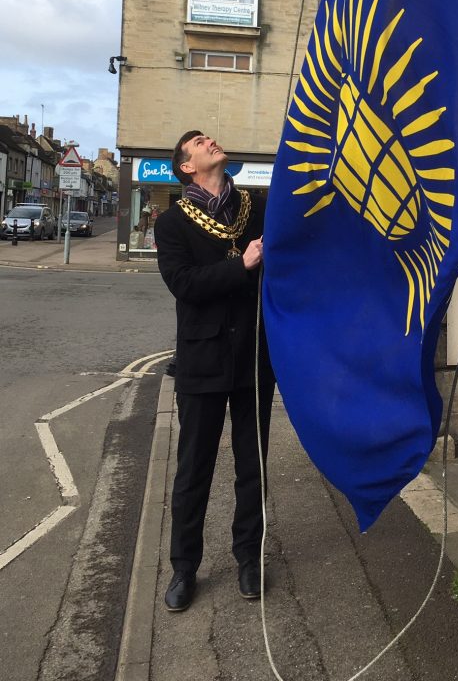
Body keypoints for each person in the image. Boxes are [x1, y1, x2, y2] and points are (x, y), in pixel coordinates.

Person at [154, 130, 275, 611]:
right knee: (193, 470)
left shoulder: (256, 205)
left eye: (210, 138)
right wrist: (241, 265)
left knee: (253, 466)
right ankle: (184, 568)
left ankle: (249, 557)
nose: (210, 141)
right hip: (202, 360)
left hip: (252, 357)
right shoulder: (171, 222)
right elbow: (182, 283)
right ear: (186, 166)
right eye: (199, 142)